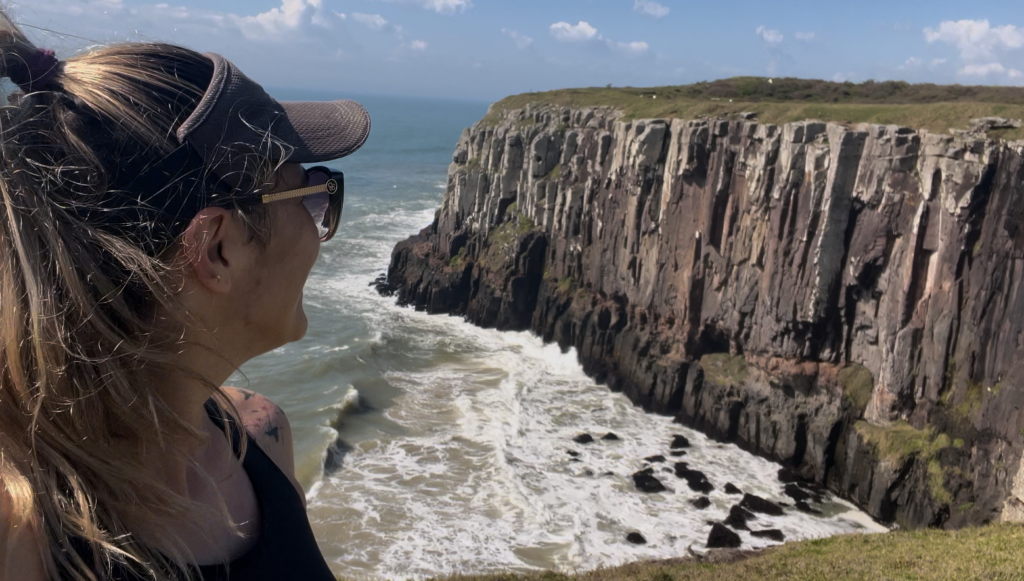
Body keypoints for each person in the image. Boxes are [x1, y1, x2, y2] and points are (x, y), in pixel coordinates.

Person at [0, 9, 369, 581]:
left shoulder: (262, 438)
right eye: (310, 194)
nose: (318, 223)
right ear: (217, 249)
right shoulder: (18, 535)